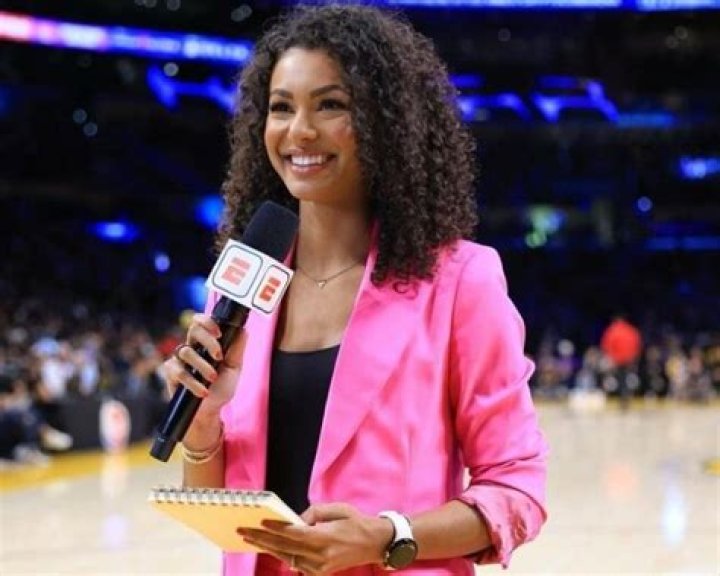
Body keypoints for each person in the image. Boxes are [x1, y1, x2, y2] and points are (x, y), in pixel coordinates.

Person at [162, 5, 548, 575]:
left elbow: (517, 489)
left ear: (385, 122)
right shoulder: (247, 288)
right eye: (281, 107)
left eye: (330, 105)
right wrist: (203, 425)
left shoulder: (460, 281)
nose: (300, 131)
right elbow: (218, 506)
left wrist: (389, 536)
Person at [600, 314, 643, 408]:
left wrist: (611, 358)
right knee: (625, 380)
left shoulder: (612, 330)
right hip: (629, 360)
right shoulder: (631, 330)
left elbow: (607, 345)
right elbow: (637, 344)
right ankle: (625, 398)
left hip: (617, 360)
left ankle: (618, 399)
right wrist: (634, 358)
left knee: (619, 380)